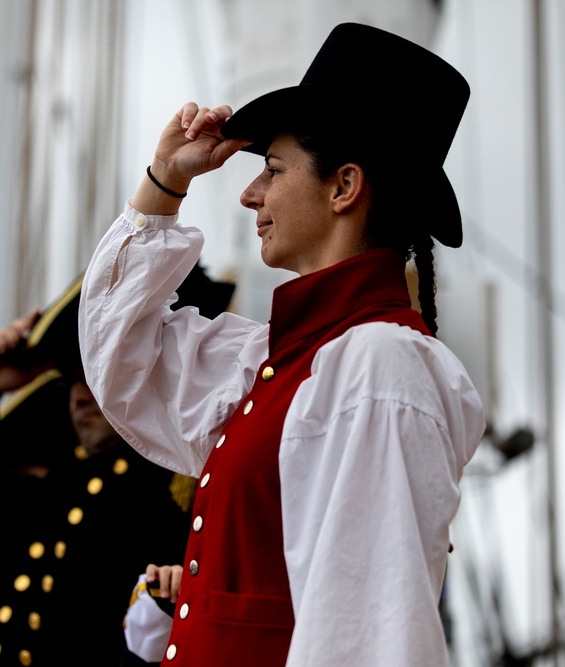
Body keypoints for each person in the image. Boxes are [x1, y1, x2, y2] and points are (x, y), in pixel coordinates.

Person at [78, 23, 486, 666]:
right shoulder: (284, 363)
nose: (249, 193)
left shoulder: (378, 367)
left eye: (271, 169)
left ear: (343, 187)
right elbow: (123, 360)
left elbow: (369, 638)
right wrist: (163, 181)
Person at [0, 269, 232, 666]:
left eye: (95, 377)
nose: (78, 398)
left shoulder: (172, 487)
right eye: (70, 380)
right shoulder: (63, 484)